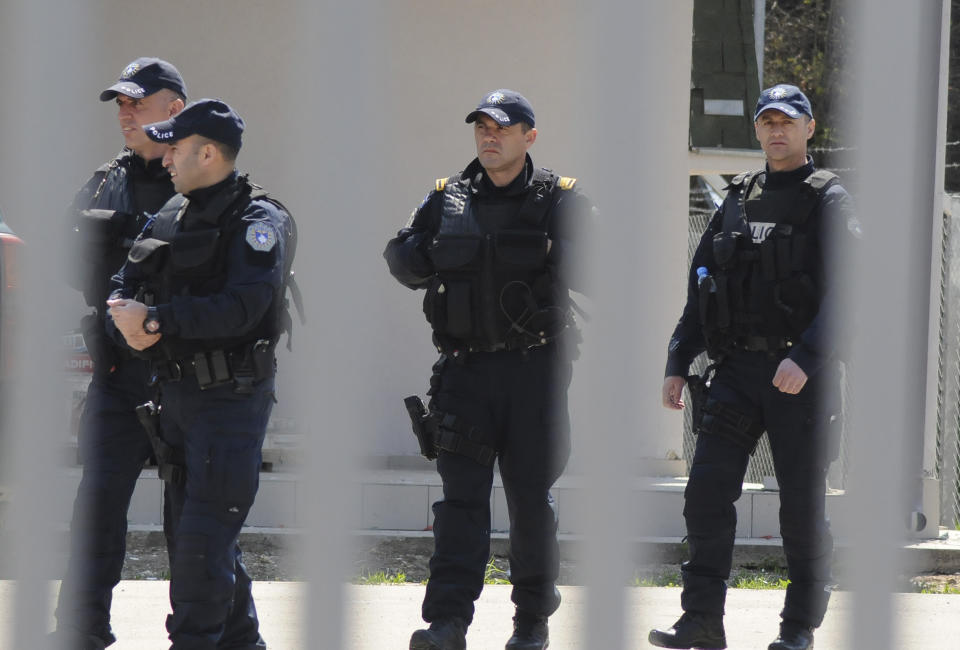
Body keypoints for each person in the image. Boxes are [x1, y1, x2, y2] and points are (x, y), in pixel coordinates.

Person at [648, 84, 858, 650]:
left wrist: (809, 356)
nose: (775, 131)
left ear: (809, 128)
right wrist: (677, 357)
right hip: (736, 373)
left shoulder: (828, 199)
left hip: (799, 378)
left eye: (787, 121)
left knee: (800, 507)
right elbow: (703, 287)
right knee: (706, 493)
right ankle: (701, 621)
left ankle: (798, 628)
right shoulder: (737, 198)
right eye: (766, 121)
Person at [384, 89, 592, 650]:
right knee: (460, 504)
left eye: (502, 127)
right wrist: (432, 252)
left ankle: (531, 622)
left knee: (529, 501)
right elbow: (400, 257)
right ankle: (448, 622)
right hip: (465, 374)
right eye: (481, 128)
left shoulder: (562, 201)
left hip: (534, 376)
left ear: (530, 135)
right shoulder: (448, 198)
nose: (489, 136)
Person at [105, 99, 296, 650]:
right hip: (176, 402)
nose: (165, 159)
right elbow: (122, 284)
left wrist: (158, 321)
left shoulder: (259, 220)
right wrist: (128, 324)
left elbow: (245, 306)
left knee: (202, 544)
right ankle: (242, 641)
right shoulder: (170, 214)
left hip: (230, 402)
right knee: (194, 536)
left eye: (175, 148)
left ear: (208, 152)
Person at [53, 57, 187, 650]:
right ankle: (81, 628)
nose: (126, 112)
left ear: (174, 109)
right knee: (97, 505)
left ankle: (207, 631)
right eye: (120, 104)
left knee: (194, 515)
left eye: (138, 101)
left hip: (188, 378)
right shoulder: (105, 181)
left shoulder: (204, 178)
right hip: (117, 375)